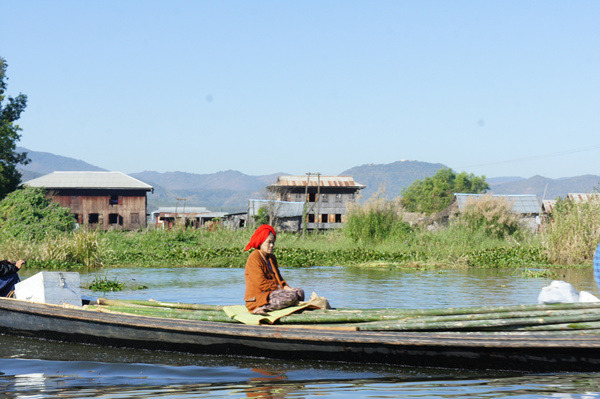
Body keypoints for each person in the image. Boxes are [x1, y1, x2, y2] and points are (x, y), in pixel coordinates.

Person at [244, 225, 304, 315]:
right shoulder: (254, 258)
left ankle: (285, 303)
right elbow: (261, 283)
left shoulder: (271, 258)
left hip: (272, 292)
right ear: (260, 242)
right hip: (259, 297)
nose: (271, 245)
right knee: (290, 297)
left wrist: (286, 287)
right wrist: (280, 289)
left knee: (299, 292)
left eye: (273, 242)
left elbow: (279, 278)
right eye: (269, 242)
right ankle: (258, 308)